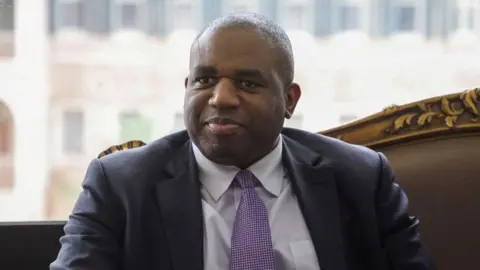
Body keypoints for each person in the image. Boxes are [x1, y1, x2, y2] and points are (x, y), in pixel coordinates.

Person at [51, 13, 435, 270]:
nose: (221, 98)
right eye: (204, 80)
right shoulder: (120, 185)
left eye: (247, 83)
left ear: (289, 100)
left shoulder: (361, 178)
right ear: (187, 88)